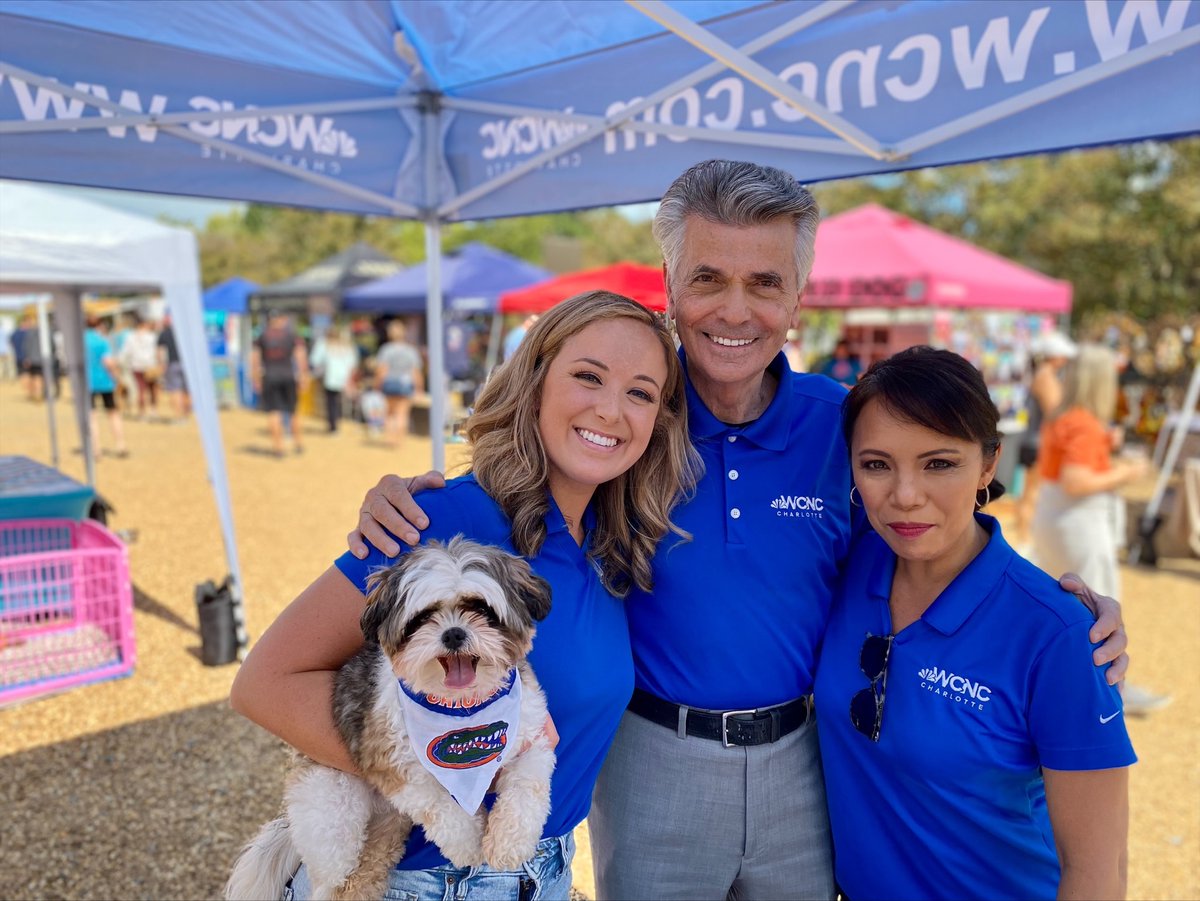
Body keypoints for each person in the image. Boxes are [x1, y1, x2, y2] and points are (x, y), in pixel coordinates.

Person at [347, 160, 1128, 900]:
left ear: (798, 299)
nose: (734, 309)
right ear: (670, 288)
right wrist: (404, 499)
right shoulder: (629, 421)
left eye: (764, 283)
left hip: (804, 761)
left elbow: (927, 517)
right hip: (652, 758)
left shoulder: (843, 425)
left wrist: (1057, 616)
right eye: (708, 278)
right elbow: (517, 488)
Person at [229, 291, 699, 900]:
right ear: (533, 383)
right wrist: (440, 776)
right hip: (420, 882)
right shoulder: (442, 519)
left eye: (640, 392)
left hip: (543, 871)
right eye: (588, 376)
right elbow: (265, 683)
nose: (612, 410)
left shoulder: (613, 546)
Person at [815, 346, 1135, 900]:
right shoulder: (843, 563)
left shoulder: (1057, 635)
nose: (905, 497)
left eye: (939, 463)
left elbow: (1098, 871)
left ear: (989, 464)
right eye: (876, 464)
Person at [1032, 343, 1171, 716]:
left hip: (1054, 516)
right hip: (1077, 519)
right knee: (1099, 607)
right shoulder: (1083, 422)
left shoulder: (1064, 416)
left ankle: (1077, 687)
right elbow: (1076, 480)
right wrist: (1126, 472)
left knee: (1064, 605)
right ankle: (1108, 692)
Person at [1013, 330, 1077, 548]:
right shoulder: (1046, 376)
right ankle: (1024, 539)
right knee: (1033, 492)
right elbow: (1055, 412)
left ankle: (1025, 537)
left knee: (1032, 491)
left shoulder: (1043, 374)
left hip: (1035, 441)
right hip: (1038, 443)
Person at [250, 309, 309, 457]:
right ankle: (298, 443)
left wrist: (255, 379)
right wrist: (303, 377)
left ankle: (278, 448)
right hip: (288, 376)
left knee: (273, 412)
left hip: (269, 376)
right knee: (293, 411)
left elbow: (255, 359)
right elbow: (300, 357)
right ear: (282, 319)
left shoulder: (261, 337)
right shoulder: (291, 336)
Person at [375, 319, 424, 449]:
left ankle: (389, 439)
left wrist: (377, 385)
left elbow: (382, 370)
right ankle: (399, 440)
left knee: (389, 413)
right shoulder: (411, 350)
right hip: (405, 384)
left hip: (389, 383)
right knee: (402, 413)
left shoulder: (386, 350)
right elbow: (416, 372)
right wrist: (419, 387)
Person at [84, 316, 129, 458]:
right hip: (105, 382)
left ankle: (95, 448)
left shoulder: (79, 342)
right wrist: (118, 377)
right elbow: (108, 362)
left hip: (86, 382)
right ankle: (120, 444)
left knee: (91, 416)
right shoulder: (101, 341)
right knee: (113, 413)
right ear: (99, 325)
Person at [309, 325, 360, 433]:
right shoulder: (347, 346)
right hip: (343, 378)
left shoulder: (324, 345)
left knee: (331, 401)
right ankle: (337, 421)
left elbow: (315, 360)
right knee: (339, 401)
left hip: (331, 377)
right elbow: (353, 363)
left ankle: (333, 425)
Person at [119, 314, 161, 419]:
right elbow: (157, 351)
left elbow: (126, 352)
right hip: (150, 365)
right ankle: (153, 410)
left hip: (136, 365)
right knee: (153, 389)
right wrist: (160, 363)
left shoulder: (131, 337)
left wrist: (121, 363)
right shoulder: (151, 336)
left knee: (141, 389)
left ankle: (142, 412)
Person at [156, 313, 191, 422]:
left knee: (175, 390)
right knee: (187, 389)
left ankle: (179, 415)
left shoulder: (164, 333)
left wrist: (161, 364)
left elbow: (160, 351)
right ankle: (186, 413)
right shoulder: (186, 332)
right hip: (187, 364)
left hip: (172, 364)